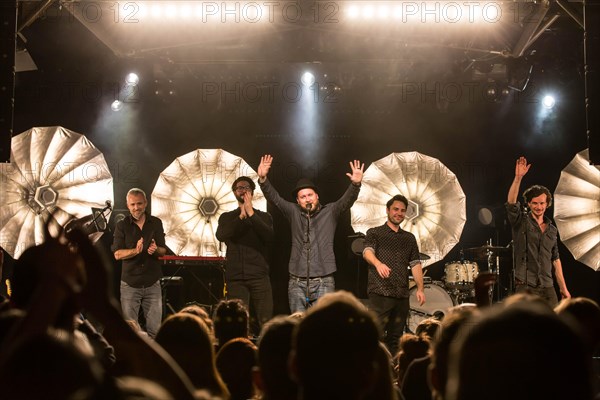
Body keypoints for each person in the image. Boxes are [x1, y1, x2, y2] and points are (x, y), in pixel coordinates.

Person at [257, 154, 364, 312]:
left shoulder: (331, 211)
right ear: (298, 201)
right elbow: (275, 199)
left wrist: (355, 185)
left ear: (317, 196)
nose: (307, 199)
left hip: (324, 280)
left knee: (322, 324)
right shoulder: (292, 212)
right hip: (296, 280)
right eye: (303, 197)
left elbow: (346, 201)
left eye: (310, 195)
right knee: (298, 325)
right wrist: (263, 180)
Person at [362, 194, 426, 355]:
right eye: (395, 209)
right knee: (374, 336)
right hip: (381, 292)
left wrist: (420, 288)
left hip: (401, 294)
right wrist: (378, 263)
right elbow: (367, 252)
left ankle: (394, 375)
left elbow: (415, 264)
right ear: (388, 210)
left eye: (402, 211)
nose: (399, 213)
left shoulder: (409, 238)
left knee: (396, 339)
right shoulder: (375, 232)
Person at [506, 156, 570, 306]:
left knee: (553, 325)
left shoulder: (552, 230)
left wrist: (563, 289)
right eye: (534, 203)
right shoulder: (520, 222)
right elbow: (511, 203)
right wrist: (518, 178)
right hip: (525, 286)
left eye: (542, 203)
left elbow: (556, 260)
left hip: (547, 286)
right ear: (528, 203)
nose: (538, 207)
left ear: (547, 204)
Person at [216, 176, 274, 334]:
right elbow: (221, 235)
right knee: (238, 323)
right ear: (234, 192)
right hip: (236, 277)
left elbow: (269, 236)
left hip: (259, 275)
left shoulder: (264, 216)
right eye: (239, 188)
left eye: (246, 187)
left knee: (265, 322)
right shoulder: (227, 217)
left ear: (253, 192)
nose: (243, 190)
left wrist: (251, 213)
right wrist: (241, 216)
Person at [112, 188, 167, 338]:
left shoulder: (156, 222)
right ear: (128, 205)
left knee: (155, 332)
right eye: (133, 204)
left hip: (152, 282)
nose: (136, 207)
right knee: (131, 332)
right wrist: (135, 251)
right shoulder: (122, 225)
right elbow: (117, 254)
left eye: (139, 203)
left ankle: (152, 361)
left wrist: (156, 250)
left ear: (146, 203)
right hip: (130, 283)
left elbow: (163, 250)